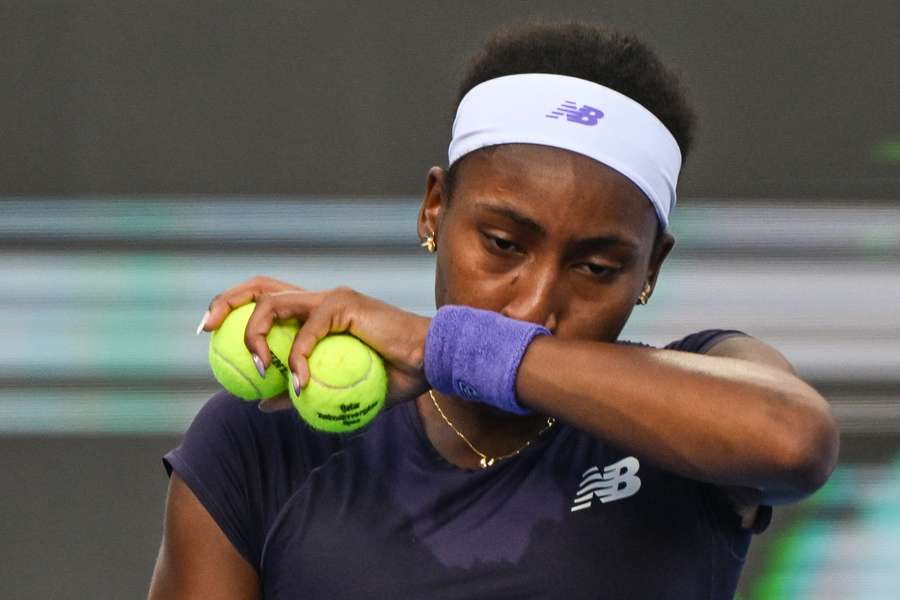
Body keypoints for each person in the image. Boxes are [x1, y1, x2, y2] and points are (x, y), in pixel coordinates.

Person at [148, 21, 838, 599]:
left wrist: (447, 349)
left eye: (596, 268)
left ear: (649, 269)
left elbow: (793, 441)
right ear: (434, 209)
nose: (535, 304)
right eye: (504, 244)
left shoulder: (697, 397)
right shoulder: (264, 442)